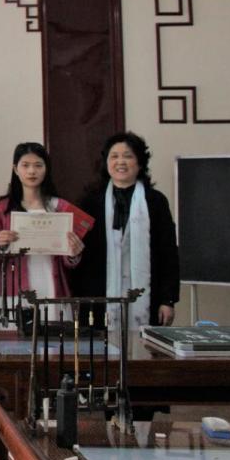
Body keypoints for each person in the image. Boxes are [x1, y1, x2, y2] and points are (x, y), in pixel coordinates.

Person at [71, 132, 180, 331]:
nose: (120, 161)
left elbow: (168, 254)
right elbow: (80, 255)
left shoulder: (155, 201)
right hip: (97, 298)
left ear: (140, 163)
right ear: (106, 163)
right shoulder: (90, 203)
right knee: (98, 348)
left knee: (143, 348)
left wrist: (168, 300)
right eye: (114, 156)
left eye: (128, 156)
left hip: (149, 298)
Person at [0, 142, 84, 312]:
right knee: (18, 329)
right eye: (25, 165)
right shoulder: (1, 208)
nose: (32, 171)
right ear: (15, 169)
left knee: (54, 328)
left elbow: (70, 261)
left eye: (38, 165)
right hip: (15, 290)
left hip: (53, 287)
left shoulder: (60, 207)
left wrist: (74, 253)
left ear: (46, 169)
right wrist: (0, 245)